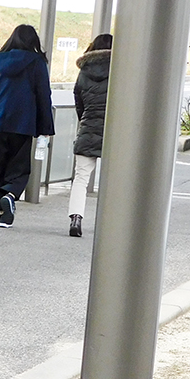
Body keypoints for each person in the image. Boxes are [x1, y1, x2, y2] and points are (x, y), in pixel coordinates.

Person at [0, 23, 55, 228]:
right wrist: (45, 128)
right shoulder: (36, 63)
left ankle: (3, 211)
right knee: (19, 169)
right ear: (33, 41)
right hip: (23, 125)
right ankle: (10, 197)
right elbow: (44, 96)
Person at [67, 33, 112, 238]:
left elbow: (79, 102)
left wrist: (87, 122)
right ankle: (109, 222)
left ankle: (76, 218)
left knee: (81, 178)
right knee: (114, 180)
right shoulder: (123, 68)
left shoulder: (84, 71)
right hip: (115, 131)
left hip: (89, 127)